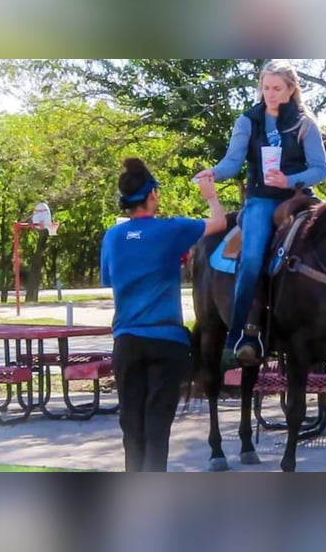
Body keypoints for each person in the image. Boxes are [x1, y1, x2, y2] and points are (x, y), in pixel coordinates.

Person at [194, 59, 326, 371]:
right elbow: (232, 163)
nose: (270, 94)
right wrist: (213, 172)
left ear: (291, 89)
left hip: (298, 197)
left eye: (277, 88)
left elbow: (320, 170)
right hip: (261, 200)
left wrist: (292, 180)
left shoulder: (306, 124)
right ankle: (240, 334)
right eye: (266, 87)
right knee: (252, 258)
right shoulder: (248, 121)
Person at [100, 157, 226, 472]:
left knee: (132, 426)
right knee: (157, 427)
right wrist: (210, 195)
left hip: (127, 341)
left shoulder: (112, 237)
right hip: (166, 342)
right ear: (153, 194)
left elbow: (110, 278)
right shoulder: (172, 230)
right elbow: (219, 223)